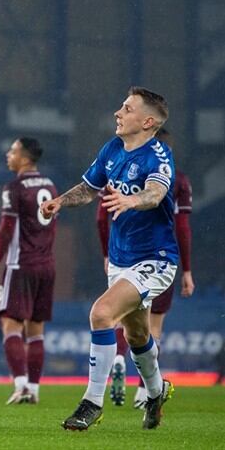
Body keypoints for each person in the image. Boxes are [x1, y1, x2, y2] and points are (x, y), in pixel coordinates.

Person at [41, 87, 178, 431]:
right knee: (136, 335)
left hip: (155, 259)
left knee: (101, 314)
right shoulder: (113, 148)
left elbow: (156, 192)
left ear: (147, 122)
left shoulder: (158, 155)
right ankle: (157, 390)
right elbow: (89, 188)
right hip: (121, 259)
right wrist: (60, 201)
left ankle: (92, 402)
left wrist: (133, 201)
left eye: (127, 108)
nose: (118, 112)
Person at [97, 127, 195, 408]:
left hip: (122, 255)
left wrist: (106, 253)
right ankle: (146, 391)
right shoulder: (178, 180)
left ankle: (118, 357)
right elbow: (183, 227)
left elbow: (101, 218)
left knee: (120, 316)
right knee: (153, 328)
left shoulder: (120, 168)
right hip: (158, 257)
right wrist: (186, 270)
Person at [0, 137, 57, 405]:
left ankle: (20, 386)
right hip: (46, 265)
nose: (8, 155)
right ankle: (33, 388)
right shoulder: (50, 185)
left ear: (25, 157)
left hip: (20, 265)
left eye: (13, 151)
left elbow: (7, 230)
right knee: (36, 330)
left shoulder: (15, 188)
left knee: (10, 325)